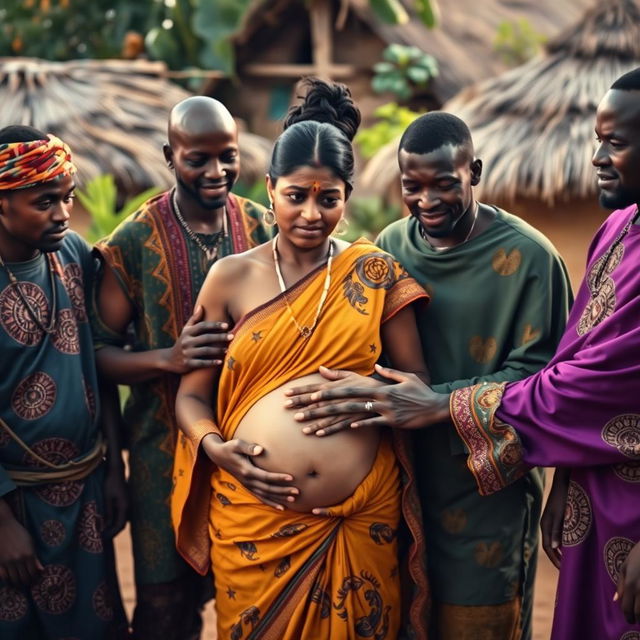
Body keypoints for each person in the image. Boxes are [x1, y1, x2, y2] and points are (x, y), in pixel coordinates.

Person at [290, 71, 640, 639]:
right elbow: (363, 350)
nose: (427, 201)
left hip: (487, 495)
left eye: (444, 184)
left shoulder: (531, 259)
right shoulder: (389, 248)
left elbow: (553, 376)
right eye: (412, 186)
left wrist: (433, 403)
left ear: (473, 173)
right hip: (401, 485)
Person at [171, 78, 431, 640]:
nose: (312, 213)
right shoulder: (230, 278)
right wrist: (219, 452)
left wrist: (371, 398)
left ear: (347, 197)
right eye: (297, 196)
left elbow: (418, 385)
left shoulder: (373, 272)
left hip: (360, 520)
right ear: (270, 189)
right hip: (254, 523)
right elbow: (192, 395)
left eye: (328, 198)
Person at [92, 97, 273, 639]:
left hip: (249, 454)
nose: (216, 172)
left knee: (249, 601)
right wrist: (166, 359)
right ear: (170, 156)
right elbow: (96, 356)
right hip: (156, 458)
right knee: (165, 611)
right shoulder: (132, 242)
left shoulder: (264, 227)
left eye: (228, 156)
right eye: (198, 159)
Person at [0, 126, 128, 638]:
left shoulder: (72, 253)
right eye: (44, 201)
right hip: (15, 506)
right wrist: (2, 526)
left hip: (85, 490)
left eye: (67, 197)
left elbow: (96, 365)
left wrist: (113, 467)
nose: (62, 212)